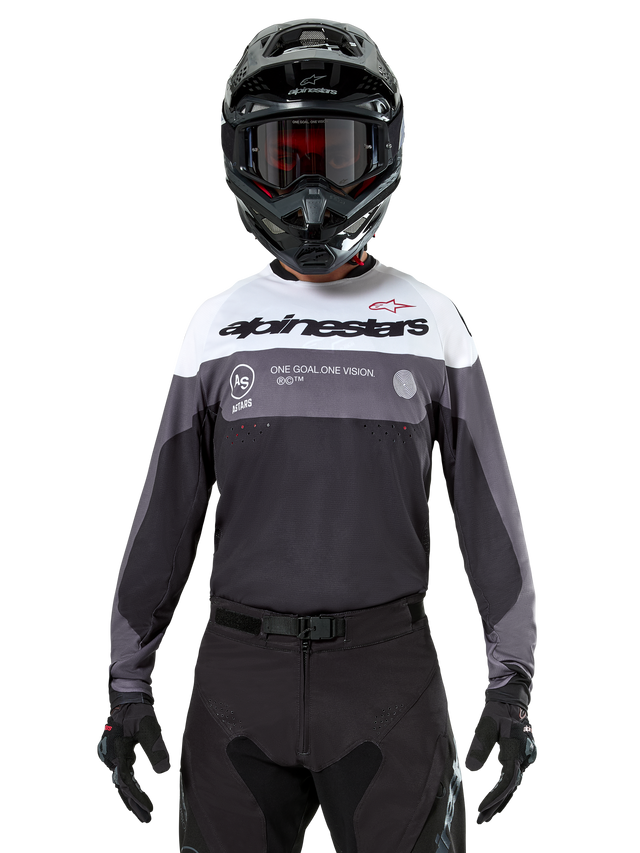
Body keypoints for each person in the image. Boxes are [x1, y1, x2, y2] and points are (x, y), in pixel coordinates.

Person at [95, 16, 539, 852]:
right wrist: (126, 689)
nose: (310, 191)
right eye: (285, 156)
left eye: (333, 156)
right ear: (240, 157)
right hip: (239, 682)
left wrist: (512, 689)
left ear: (383, 153)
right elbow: (164, 519)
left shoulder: (433, 320)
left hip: (388, 675)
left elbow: (492, 522)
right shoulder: (215, 324)